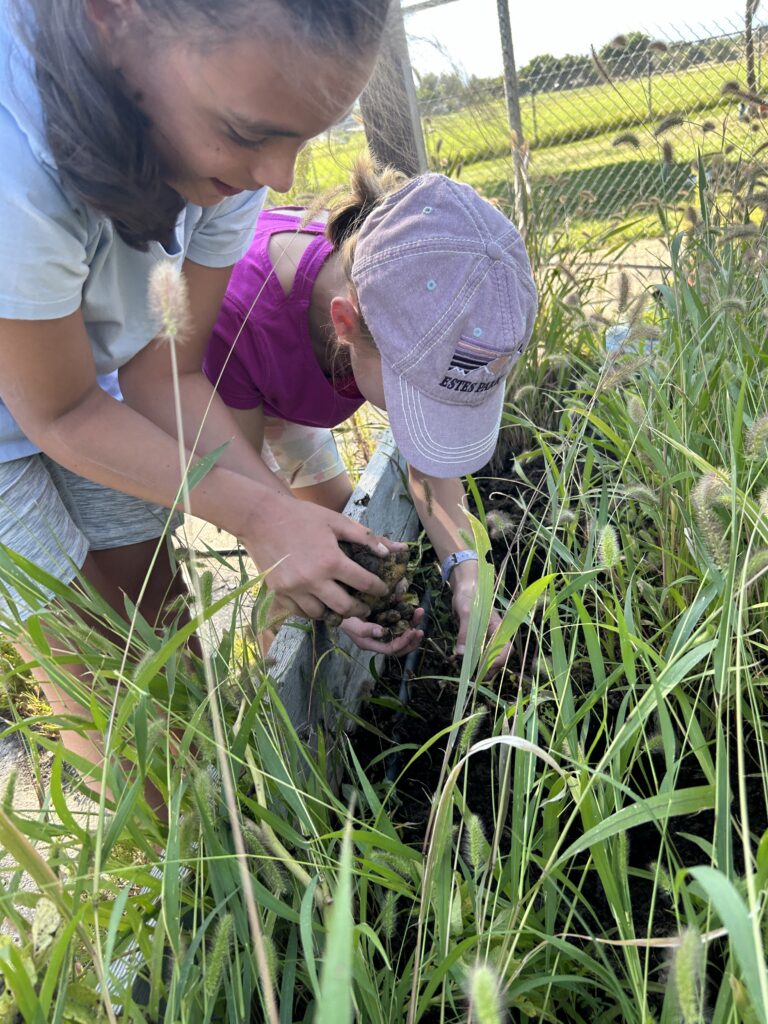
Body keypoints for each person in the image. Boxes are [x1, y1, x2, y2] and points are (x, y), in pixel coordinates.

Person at [0, 0, 398, 794]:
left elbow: (164, 374)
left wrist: (295, 535)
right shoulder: (20, 164)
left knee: (159, 631)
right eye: (253, 133)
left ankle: (212, 817)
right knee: (103, 692)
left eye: (302, 139)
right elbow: (58, 413)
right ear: (114, 16)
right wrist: (256, 512)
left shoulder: (229, 162)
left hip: (91, 380)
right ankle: (168, 867)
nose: (280, 177)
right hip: (43, 404)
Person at [204, 158, 539, 658]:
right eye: (417, 399)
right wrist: (331, 606)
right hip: (229, 386)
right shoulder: (236, 320)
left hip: (299, 376)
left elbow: (429, 475)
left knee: (354, 548)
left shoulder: (394, 291)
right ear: (344, 323)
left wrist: (468, 574)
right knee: (291, 597)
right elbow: (255, 509)